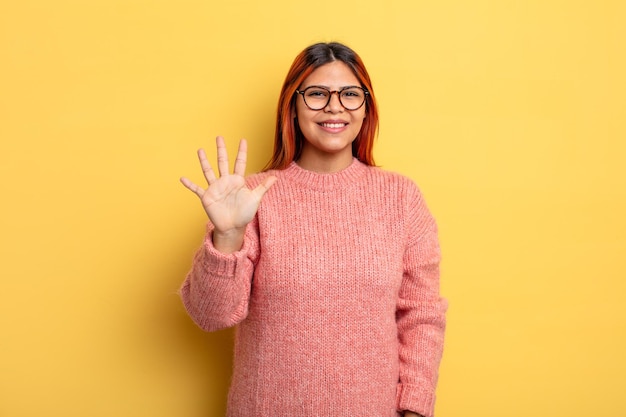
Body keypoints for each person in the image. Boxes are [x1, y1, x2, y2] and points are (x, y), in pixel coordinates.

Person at [179, 42, 447, 417]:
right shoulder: (249, 199)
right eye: (317, 94)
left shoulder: (401, 198)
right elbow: (210, 315)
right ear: (292, 106)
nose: (335, 106)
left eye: (350, 94)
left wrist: (414, 407)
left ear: (366, 109)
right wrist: (227, 237)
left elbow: (421, 314)